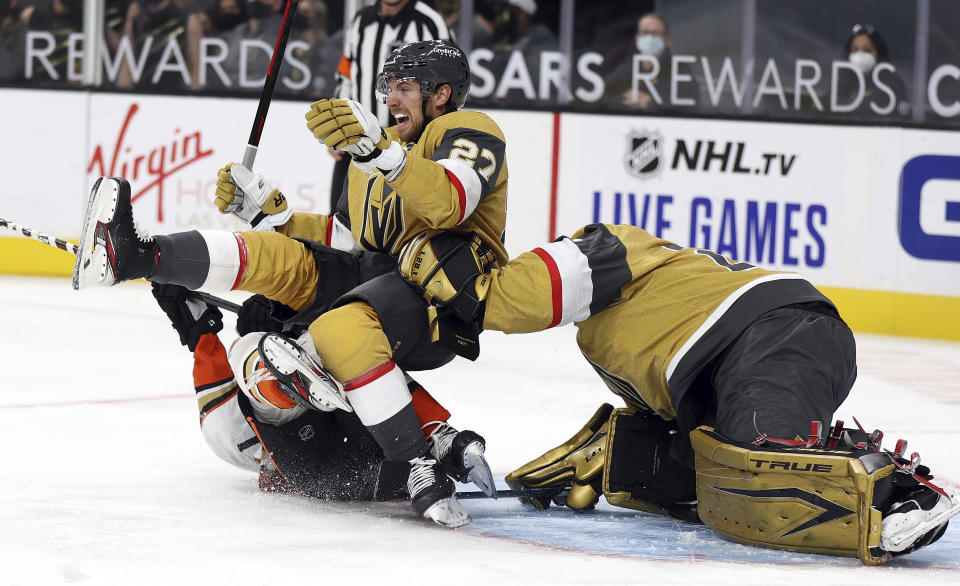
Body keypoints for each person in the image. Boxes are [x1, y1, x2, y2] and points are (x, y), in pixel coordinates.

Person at [74, 40, 508, 528]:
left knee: (277, 349)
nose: (390, 100)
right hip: (377, 287)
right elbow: (347, 240)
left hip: (439, 303)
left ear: (442, 94)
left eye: (403, 88)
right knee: (280, 261)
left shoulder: (463, 131)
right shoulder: (372, 157)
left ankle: (309, 360)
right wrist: (274, 214)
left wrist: (380, 153)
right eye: (388, 88)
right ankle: (138, 254)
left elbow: (451, 198)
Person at [402, 222, 951, 565]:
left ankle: (901, 495)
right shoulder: (609, 338)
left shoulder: (602, 246)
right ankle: (634, 460)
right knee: (715, 476)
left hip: (770, 330)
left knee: (757, 472)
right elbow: (681, 420)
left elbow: (523, 293)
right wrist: (619, 458)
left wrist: (468, 294)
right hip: (747, 353)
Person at [149, 281, 475, 502]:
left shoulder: (225, 426)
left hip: (318, 458)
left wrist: (201, 331)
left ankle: (284, 378)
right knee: (358, 360)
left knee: (249, 353)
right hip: (317, 456)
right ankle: (287, 378)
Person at [328, 0, 452, 212]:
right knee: (340, 222)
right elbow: (346, 73)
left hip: (409, 147)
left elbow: (448, 82)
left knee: (396, 226)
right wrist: (338, 124)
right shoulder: (361, 20)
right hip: (357, 141)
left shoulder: (430, 23)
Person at [606, 12, 698, 111]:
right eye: (645, 33)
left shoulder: (680, 71)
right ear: (637, 39)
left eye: (656, 33)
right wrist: (626, 100)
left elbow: (691, 106)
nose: (650, 38)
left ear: (667, 40)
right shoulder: (626, 70)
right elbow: (603, 97)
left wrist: (652, 104)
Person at [836, 23, 910, 119]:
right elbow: (827, 105)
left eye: (867, 50)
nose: (860, 55)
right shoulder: (844, 81)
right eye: (854, 50)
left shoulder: (891, 83)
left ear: (878, 52)